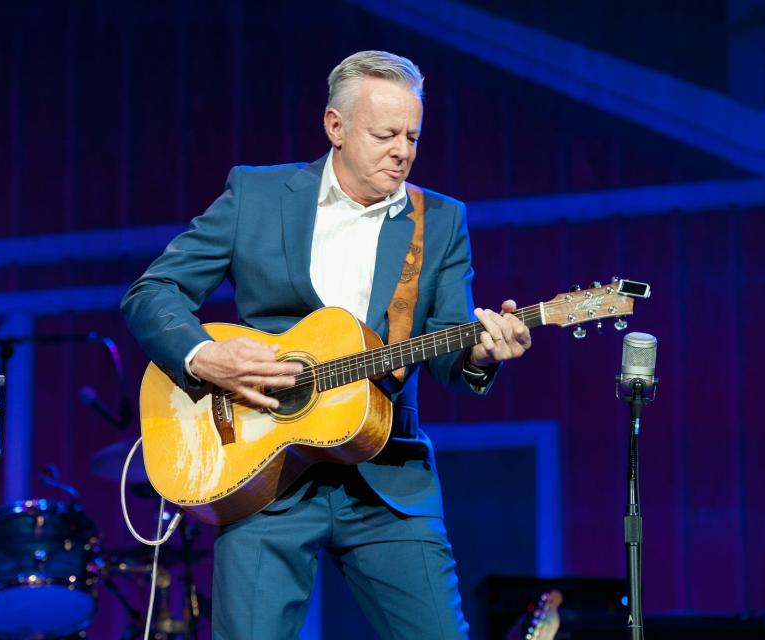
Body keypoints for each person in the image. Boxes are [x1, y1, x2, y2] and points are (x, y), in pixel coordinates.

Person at [121, 50, 531, 639]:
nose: (403, 151)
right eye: (386, 134)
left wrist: (478, 354)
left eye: (413, 136)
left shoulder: (438, 220)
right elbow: (153, 291)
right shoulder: (257, 195)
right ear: (335, 127)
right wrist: (205, 356)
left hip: (387, 475)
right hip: (261, 468)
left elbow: (446, 342)